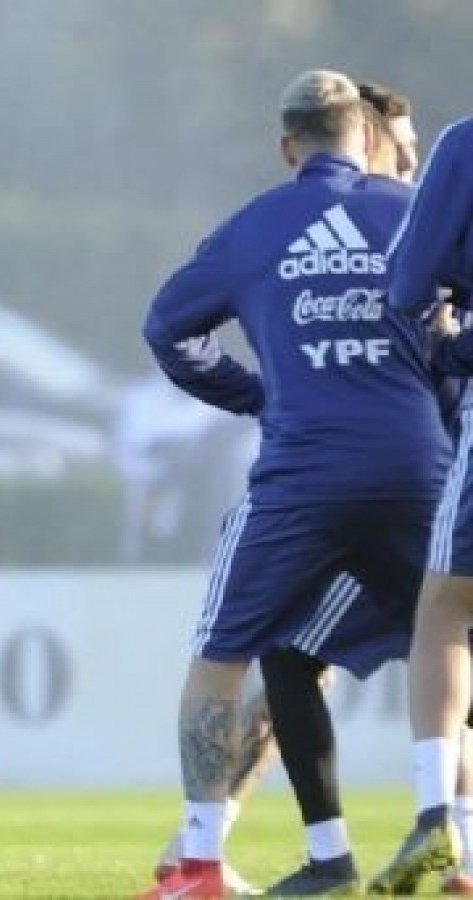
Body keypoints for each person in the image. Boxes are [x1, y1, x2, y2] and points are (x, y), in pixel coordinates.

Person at [138, 70, 447, 899]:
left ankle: (201, 861)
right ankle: (445, 837)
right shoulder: (408, 211)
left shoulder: (257, 226)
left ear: (287, 147)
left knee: (223, 656)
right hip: (421, 468)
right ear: (365, 138)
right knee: (447, 642)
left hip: (302, 475)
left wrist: (254, 393)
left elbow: (166, 329)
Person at [371, 98, 473, 893]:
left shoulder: (464, 144)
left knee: (447, 607)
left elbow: (405, 282)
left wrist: (454, 340)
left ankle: (443, 824)